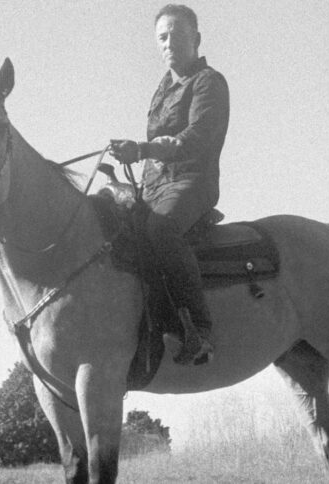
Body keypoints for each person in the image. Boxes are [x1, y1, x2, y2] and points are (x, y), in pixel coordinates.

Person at [110, 4, 230, 366]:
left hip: (192, 183)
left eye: (176, 35)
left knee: (160, 228)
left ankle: (200, 329)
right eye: (161, 37)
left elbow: (196, 138)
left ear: (196, 38)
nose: (168, 43)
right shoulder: (162, 88)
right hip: (154, 187)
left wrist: (143, 148)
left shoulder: (209, 82)